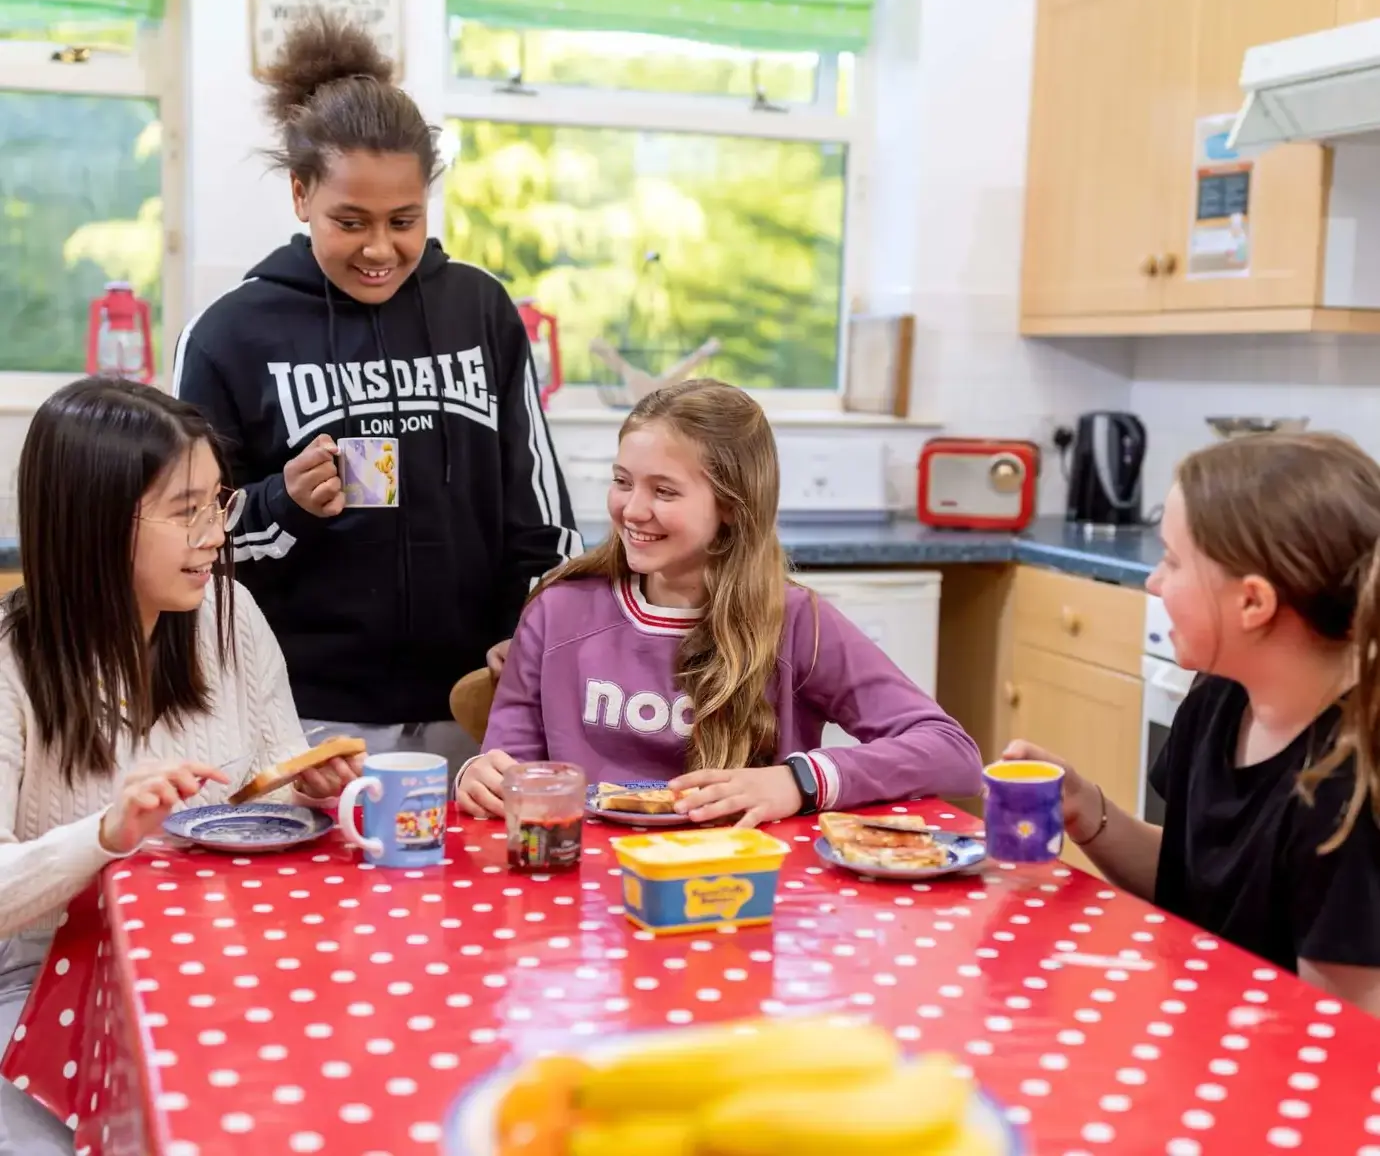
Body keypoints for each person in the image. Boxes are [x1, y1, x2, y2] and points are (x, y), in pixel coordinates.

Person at [171, 11, 580, 783]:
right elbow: (188, 538)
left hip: (478, 712)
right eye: (349, 221)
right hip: (303, 719)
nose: (380, 249)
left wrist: (539, 635)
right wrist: (282, 500)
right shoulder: (229, 334)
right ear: (300, 194)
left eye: (405, 221)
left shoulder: (482, 310)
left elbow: (542, 515)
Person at [0, 378, 360, 1150]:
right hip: (38, 991)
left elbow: (274, 775)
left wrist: (311, 786)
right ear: (93, 521)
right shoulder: (12, 660)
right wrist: (106, 832)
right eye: (185, 509)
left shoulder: (228, 615)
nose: (215, 534)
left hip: (215, 967)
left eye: (218, 503)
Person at [456, 379, 982, 825]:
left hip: (739, 892)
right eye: (622, 482)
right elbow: (509, 775)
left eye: (664, 491)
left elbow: (951, 752)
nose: (632, 509)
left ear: (731, 506)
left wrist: (798, 781)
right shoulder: (557, 611)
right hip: (586, 899)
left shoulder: (795, 622)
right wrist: (481, 779)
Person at [1006, 432, 1380, 1015]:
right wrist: (1087, 809)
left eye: (1173, 561)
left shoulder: (1345, 790)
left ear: (1252, 603)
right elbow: (1194, 880)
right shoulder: (1219, 699)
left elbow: (1339, 1035)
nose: (1154, 582)